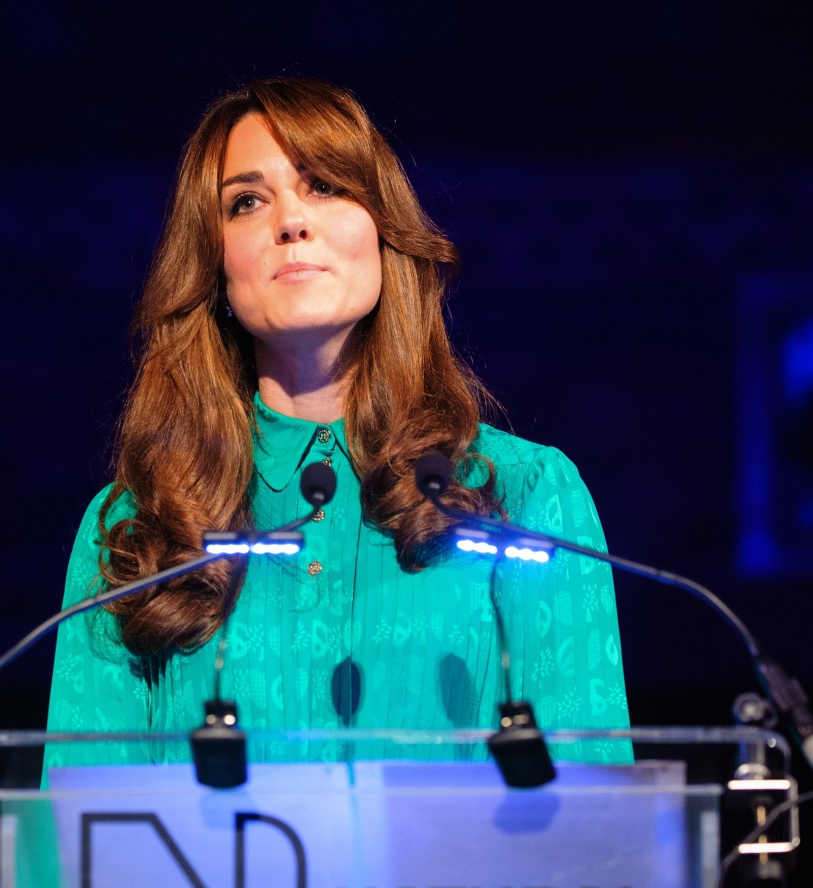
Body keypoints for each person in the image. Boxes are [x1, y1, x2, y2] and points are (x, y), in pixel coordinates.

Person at [47, 77, 629, 764]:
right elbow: (81, 837)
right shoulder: (137, 528)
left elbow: (593, 821)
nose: (290, 222)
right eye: (247, 202)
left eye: (324, 186)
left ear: (384, 232)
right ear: (215, 268)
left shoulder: (526, 492)